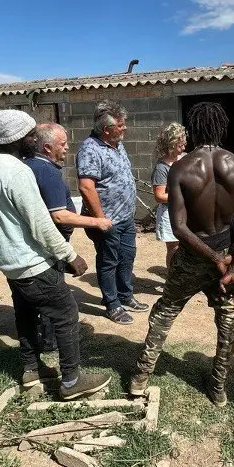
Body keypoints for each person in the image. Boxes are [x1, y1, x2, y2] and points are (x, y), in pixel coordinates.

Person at [0, 109, 110, 400]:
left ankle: (32, 370)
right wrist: (71, 256)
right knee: (66, 313)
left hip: (8, 261)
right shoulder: (18, 172)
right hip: (32, 262)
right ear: (19, 138)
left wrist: (3, 222)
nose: (35, 139)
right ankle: (72, 381)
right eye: (32, 134)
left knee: (25, 313)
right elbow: (42, 223)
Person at [129, 102, 234, 407]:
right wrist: (232, 265)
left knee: (165, 312)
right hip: (224, 253)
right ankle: (219, 387)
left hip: (193, 255)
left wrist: (215, 259)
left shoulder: (181, 169)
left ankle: (140, 379)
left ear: (194, 130)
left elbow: (180, 228)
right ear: (222, 128)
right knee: (227, 317)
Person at [25, 122, 113, 355]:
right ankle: (51, 341)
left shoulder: (29, 166)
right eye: (62, 144)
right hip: (51, 244)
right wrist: (97, 221)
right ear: (46, 147)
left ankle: (43, 336)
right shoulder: (47, 172)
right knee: (55, 297)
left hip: (36, 243)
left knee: (42, 293)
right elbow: (60, 216)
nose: (66, 148)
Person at [77, 100, 149, 325]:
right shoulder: (90, 149)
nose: (125, 128)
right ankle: (112, 304)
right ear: (106, 128)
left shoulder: (117, 143)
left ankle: (126, 296)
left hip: (126, 217)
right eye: (120, 125)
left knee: (127, 257)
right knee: (109, 261)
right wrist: (100, 219)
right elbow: (86, 186)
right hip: (107, 220)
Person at [152, 123, 187, 268]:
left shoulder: (184, 159)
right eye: (180, 145)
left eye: (184, 144)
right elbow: (159, 196)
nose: (184, 148)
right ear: (172, 144)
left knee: (187, 246)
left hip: (185, 211)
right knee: (174, 248)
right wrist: (182, 195)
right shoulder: (161, 168)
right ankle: (172, 277)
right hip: (170, 213)